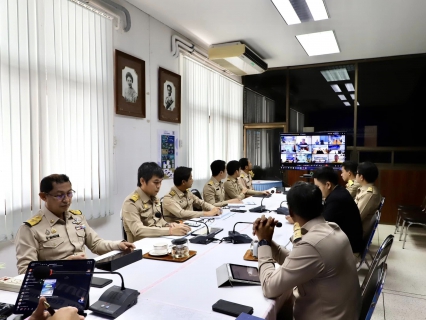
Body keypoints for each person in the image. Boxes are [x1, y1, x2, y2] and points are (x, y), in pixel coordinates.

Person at [253, 182, 360, 320]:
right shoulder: (332, 228)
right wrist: (267, 240)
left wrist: (262, 243)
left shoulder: (311, 245)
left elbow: (269, 287)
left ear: (290, 212)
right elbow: (297, 260)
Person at [15, 174, 135, 275]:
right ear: (43, 197)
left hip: (84, 276)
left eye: (69, 193)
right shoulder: (30, 229)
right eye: (59, 195)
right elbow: (26, 271)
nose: (66, 200)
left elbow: (96, 244)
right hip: (55, 284)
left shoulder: (77, 218)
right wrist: (64, 264)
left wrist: (118, 245)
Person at [121, 162, 190, 242]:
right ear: (142, 181)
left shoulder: (155, 198)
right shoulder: (131, 203)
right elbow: (138, 230)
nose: (159, 186)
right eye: (156, 182)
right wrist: (170, 231)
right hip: (142, 248)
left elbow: (159, 220)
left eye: (160, 182)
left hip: (159, 241)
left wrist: (169, 225)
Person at [312, 166, 363, 254]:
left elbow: (322, 225)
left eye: (318, 187)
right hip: (347, 241)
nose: (316, 190)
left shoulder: (336, 199)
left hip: (349, 249)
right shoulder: (338, 190)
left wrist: (300, 219)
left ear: (328, 185)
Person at [355, 161, 382, 237]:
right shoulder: (365, 190)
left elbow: (356, 217)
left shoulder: (369, 194)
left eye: (357, 173)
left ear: (361, 177)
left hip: (356, 233)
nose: (355, 175)